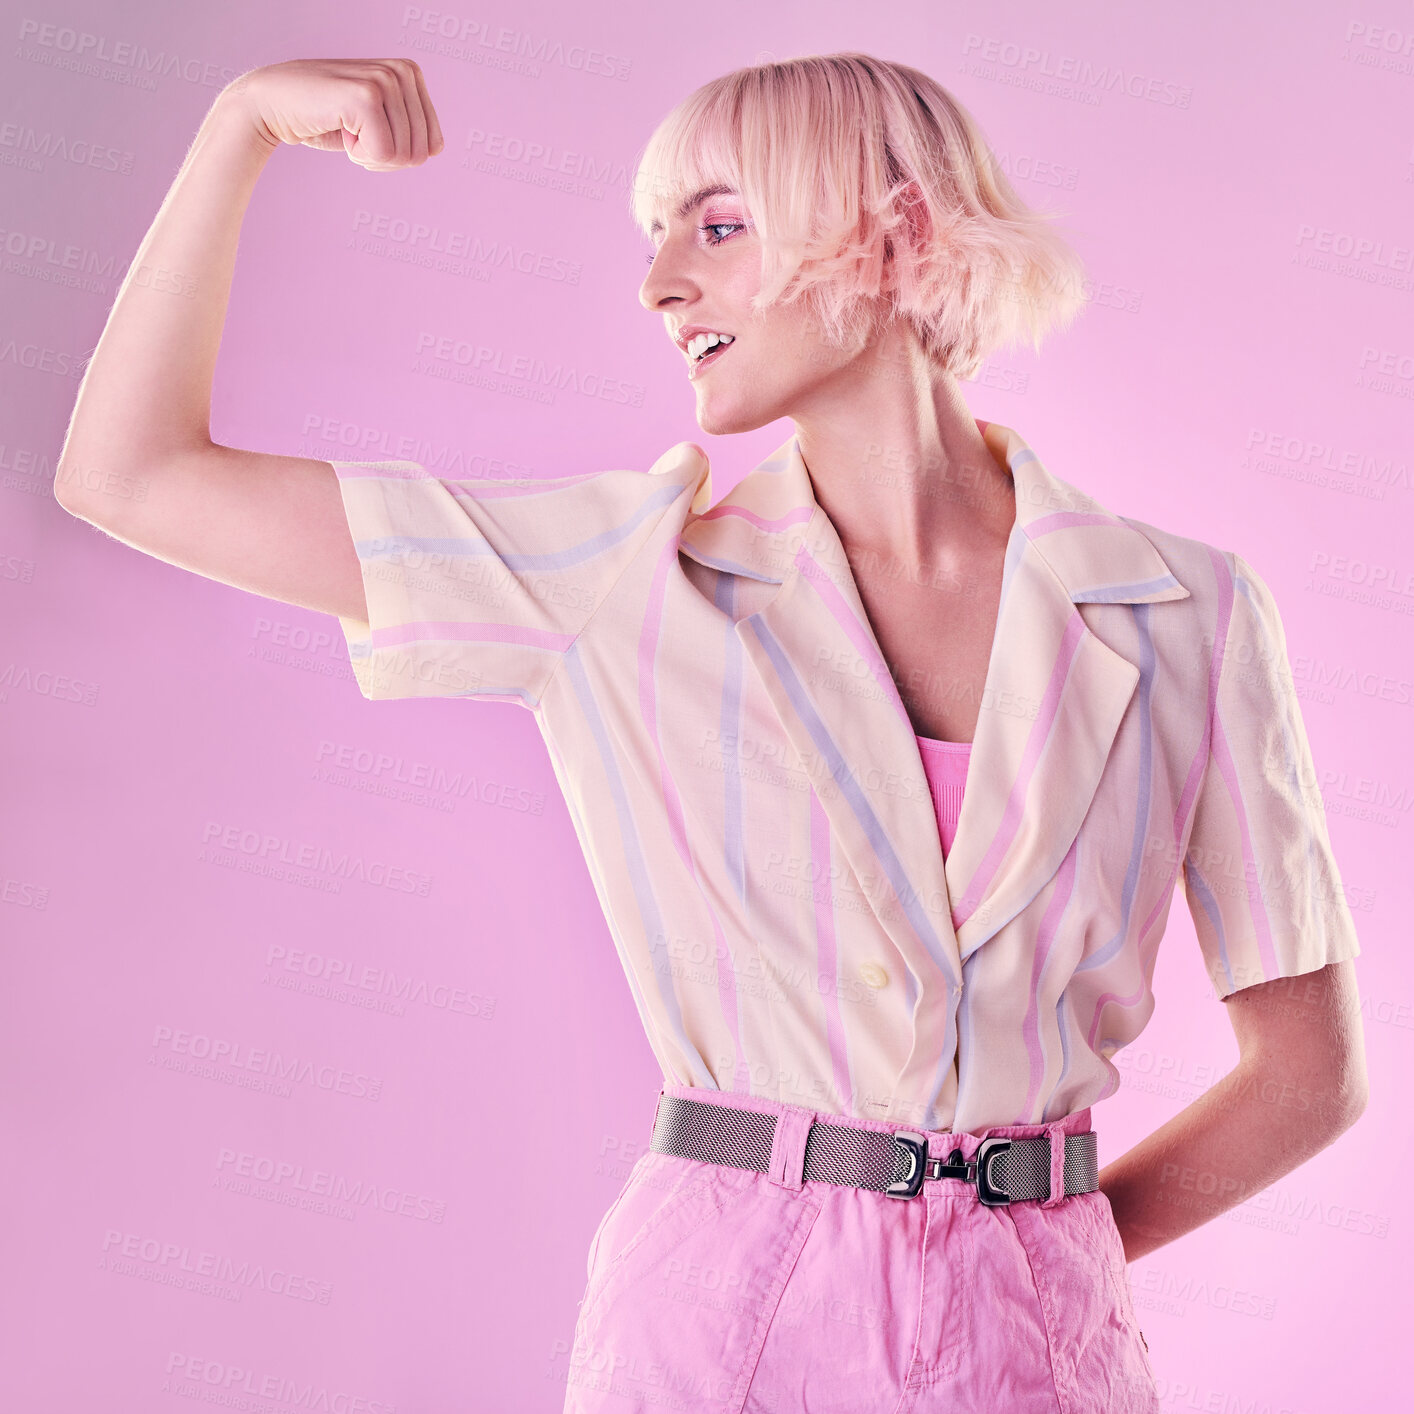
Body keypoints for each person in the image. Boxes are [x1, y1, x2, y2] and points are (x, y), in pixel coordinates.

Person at [55, 51, 1368, 1414]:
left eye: (719, 224)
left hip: (1045, 1357)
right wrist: (237, 132)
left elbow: (1307, 1077)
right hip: (717, 1334)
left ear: (896, 229)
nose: (658, 282)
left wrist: (1033, 1245)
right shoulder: (615, 578)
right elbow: (131, 473)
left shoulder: (1185, 612)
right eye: (657, 232)